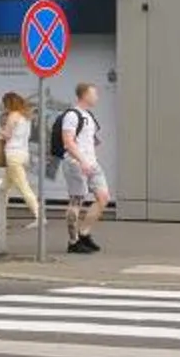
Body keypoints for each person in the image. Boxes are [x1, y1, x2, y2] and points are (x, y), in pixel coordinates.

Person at [60, 82, 113, 254]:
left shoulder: (88, 115)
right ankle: (73, 242)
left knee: (103, 197)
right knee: (76, 201)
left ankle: (84, 233)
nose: (97, 96)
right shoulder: (71, 115)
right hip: (76, 163)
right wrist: (82, 160)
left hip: (92, 162)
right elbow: (68, 142)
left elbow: (89, 137)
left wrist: (92, 146)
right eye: (94, 93)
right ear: (84, 95)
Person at [0, 91, 40, 228]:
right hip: (23, 153)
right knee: (4, 188)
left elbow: (7, 135)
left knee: (23, 187)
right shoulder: (25, 117)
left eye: (5, 104)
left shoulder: (13, 116)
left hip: (13, 154)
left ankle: (39, 216)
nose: (4, 107)